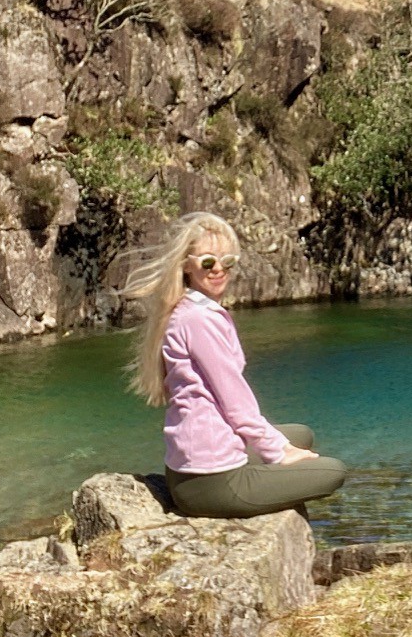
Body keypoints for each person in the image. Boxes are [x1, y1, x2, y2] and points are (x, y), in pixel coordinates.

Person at [123, 211, 346, 518]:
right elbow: (237, 405)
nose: (219, 270)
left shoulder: (188, 309)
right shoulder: (199, 320)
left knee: (301, 434)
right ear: (186, 265)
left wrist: (283, 447)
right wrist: (278, 452)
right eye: (208, 262)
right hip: (213, 482)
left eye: (227, 262)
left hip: (192, 469)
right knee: (332, 471)